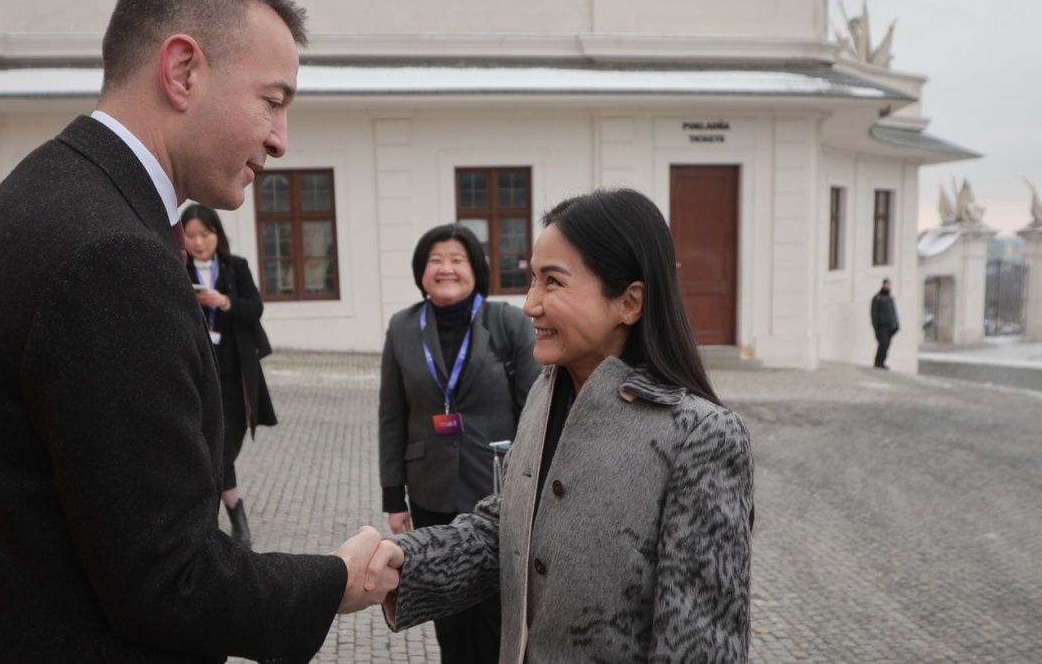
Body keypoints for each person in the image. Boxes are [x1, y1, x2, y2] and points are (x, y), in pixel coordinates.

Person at [0, 0, 397, 664]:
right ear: (183, 70)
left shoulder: (36, 198)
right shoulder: (111, 255)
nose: (281, 140)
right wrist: (335, 581)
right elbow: (168, 576)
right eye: (273, 101)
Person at [369, 188, 754, 662]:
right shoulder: (545, 394)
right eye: (532, 279)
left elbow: (701, 644)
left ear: (629, 302)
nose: (530, 303)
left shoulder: (701, 436)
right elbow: (507, 530)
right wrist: (404, 563)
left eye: (552, 282)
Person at [377, 223, 539, 663]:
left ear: (476, 270)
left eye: (456, 260)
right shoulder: (403, 327)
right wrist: (394, 497)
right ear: (421, 271)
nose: (445, 268)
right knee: (447, 614)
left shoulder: (506, 322)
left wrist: (534, 485)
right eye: (435, 260)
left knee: (494, 611)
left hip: (496, 492)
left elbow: (535, 409)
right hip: (430, 489)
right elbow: (392, 415)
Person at [180, 203, 275, 549]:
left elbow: (256, 308)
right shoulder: (178, 268)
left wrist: (224, 302)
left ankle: (222, 518)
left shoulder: (236, 268)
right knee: (211, 447)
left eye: (204, 234)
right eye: (191, 236)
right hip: (197, 375)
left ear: (217, 234)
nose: (198, 242)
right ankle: (236, 520)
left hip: (235, 376)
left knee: (225, 447)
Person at [871, 278, 900, 369]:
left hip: (890, 327)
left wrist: (897, 324)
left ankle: (882, 362)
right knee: (882, 344)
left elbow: (893, 312)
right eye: (887, 285)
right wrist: (876, 328)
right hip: (881, 327)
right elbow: (874, 314)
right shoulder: (877, 298)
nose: (888, 287)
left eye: (889, 285)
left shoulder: (890, 298)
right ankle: (878, 362)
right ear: (883, 285)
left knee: (887, 345)